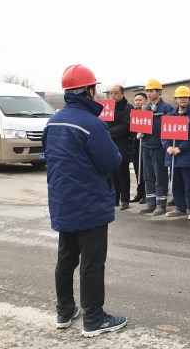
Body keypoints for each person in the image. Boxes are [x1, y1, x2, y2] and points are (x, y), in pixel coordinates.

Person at [42, 64, 127, 337]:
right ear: (88, 90)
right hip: (90, 203)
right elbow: (111, 161)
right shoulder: (91, 123)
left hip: (62, 201)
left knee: (66, 258)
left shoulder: (53, 121)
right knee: (92, 263)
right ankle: (94, 319)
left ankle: (64, 311)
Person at [163, 86, 190, 219]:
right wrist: (168, 146)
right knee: (176, 183)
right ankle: (180, 208)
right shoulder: (170, 115)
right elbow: (164, 134)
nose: (183, 99)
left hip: (187, 156)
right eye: (180, 97)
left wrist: (180, 148)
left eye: (185, 97)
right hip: (173, 156)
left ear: (189, 99)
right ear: (176, 99)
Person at [138, 79, 175, 216]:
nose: (149, 93)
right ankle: (150, 203)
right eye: (147, 91)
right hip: (146, 145)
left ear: (159, 92)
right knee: (148, 176)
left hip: (159, 147)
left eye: (152, 91)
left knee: (160, 176)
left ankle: (161, 205)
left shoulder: (166, 108)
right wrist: (139, 132)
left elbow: (169, 127)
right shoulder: (145, 108)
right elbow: (141, 124)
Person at [107, 84, 133, 210]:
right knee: (112, 173)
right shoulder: (107, 108)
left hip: (122, 144)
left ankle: (125, 199)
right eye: (111, 93)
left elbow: (127, 125)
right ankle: (114, 198)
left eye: (115, 93)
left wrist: (109, 132)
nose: (113, 95)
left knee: (123, 173)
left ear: (122, 94)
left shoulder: (128, 108)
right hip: (109, 144)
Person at [131, 92, 147, 204]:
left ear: (145, 101)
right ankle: (140, 192)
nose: (137, 102)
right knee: (137, 170)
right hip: (135, 145)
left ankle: (146, 193)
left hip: (145, 145)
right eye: (136, 100)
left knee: (145, 171)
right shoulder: (133, 113)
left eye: (140, 100)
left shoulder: (148, 112)